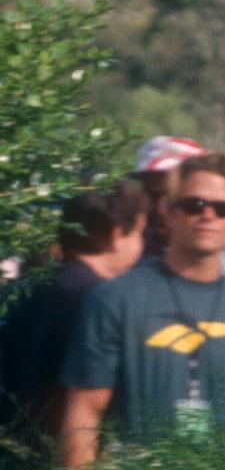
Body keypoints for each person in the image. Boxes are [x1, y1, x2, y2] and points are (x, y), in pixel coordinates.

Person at [58, 153, 225, 470]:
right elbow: (84, 412)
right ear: (168, 212)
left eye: (223, 209)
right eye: (194, 205)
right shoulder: (115, 298)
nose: (208, 215)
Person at [0, 182, 147, 449]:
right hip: (63, 452)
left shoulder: (30, 285)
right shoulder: (101, 301)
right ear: (116, 236)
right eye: (139, 233)